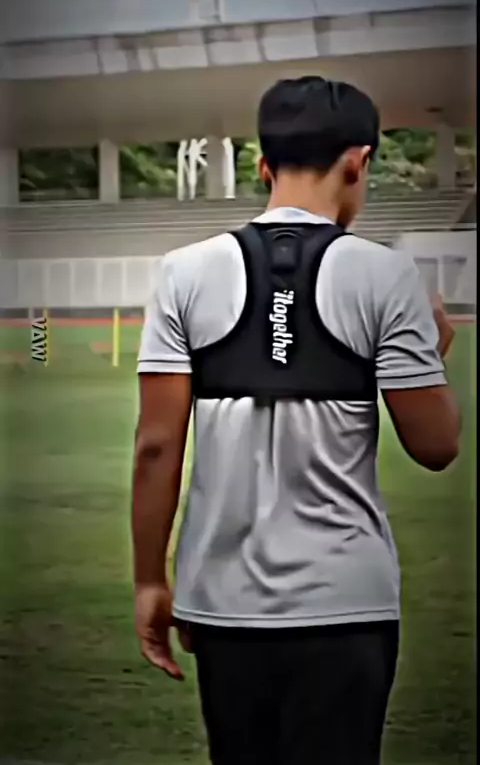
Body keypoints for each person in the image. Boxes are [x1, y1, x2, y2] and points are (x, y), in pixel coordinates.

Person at [132, 76, 460, 765]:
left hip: (223, 606)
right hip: (346, 605)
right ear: (359, 162)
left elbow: (157, 446)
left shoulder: (182, 272)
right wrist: (432, 350)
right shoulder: (387, 276)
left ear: (262, 166)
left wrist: (150, 580)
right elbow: (437, 445)